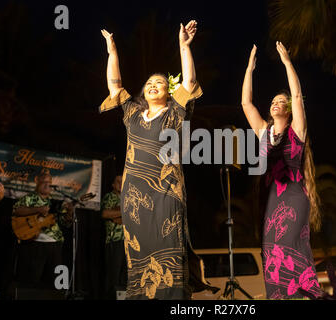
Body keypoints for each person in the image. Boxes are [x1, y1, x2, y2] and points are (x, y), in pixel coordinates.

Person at [99, 20, 212, 299]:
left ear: (168, 92)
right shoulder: (132, 113)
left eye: (159, 83)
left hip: (166, 192)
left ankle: (174, 299)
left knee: (168, 247)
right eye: (149, 83)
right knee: (139, 253)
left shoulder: (175, 111)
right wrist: (112, 53)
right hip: (134, 193)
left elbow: (190, 82)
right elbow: (115, 87)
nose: (153, 85)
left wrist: (184, 47)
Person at [241, 42, 322, 299]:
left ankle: (308, 292)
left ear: (287, 109)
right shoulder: (264, 132)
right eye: (274, 101)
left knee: (287, 243)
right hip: (270, 199)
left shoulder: (296, 132)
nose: (276, 103)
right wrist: (249, 69)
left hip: (294, 197)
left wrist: (287, 63)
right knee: (270, 248)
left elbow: (297, 96)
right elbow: (246, 103)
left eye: (281, 101)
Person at [12, 169, 74, 290]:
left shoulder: (55, 202)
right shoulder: (30, 197)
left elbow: (66, 223)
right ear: (38, 183)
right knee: (31, 280)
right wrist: (38, 209)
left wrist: (70, 212)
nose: (47, 184)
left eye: (49, 182)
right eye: (44, 181)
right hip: (35, 243)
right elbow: (16, 210)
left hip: (55, 245)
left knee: (57, 283)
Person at [101, 174, 127, 299]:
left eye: (123, 181)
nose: (121, 184)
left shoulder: (128, 198)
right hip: (114, 240)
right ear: (113, 185)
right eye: (118, 182)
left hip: (128, 242)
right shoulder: (109, 197)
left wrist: (118, 216)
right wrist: (122, 213)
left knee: (125, 277)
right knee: (113, 276)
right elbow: (105, 213)